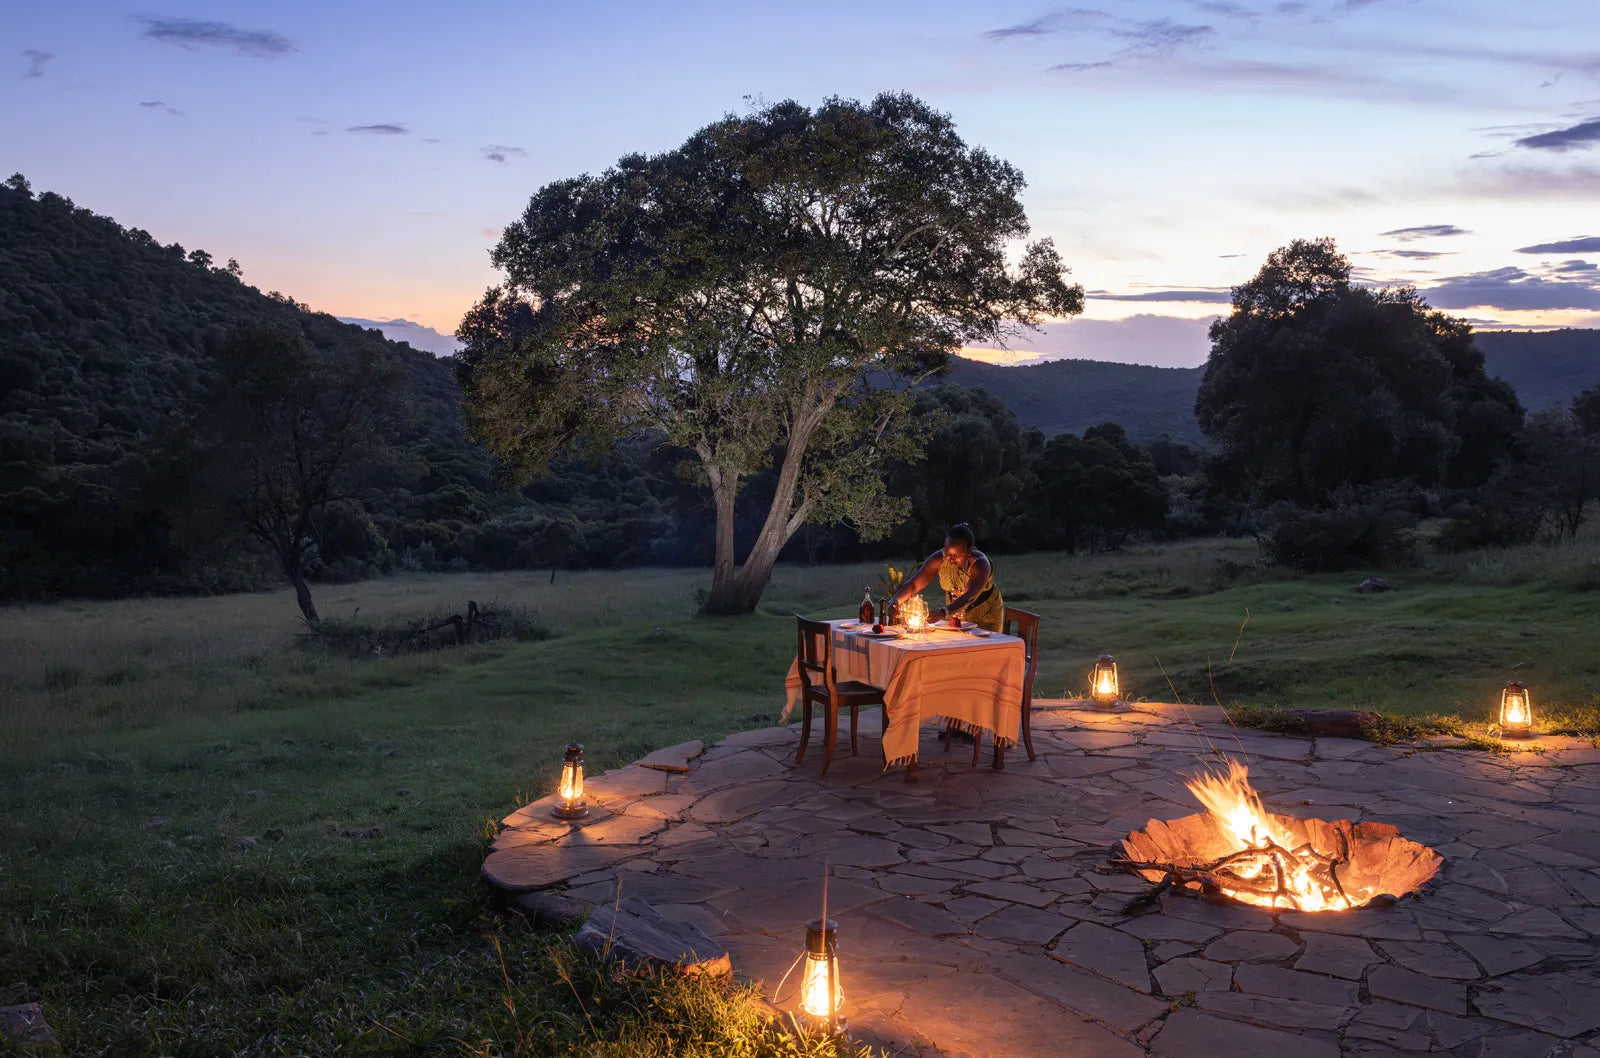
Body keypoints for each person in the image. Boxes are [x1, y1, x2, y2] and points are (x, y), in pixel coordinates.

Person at [892, 523, 1005, 633]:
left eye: (956, 555)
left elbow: (969, 596)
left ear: (969, 550)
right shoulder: (939, 559)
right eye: (947, 553)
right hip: (954, 615)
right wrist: (895, 601)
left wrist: (944, 612)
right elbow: (914, 585)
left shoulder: (981, 564)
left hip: (985, 617)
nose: (950, 559)